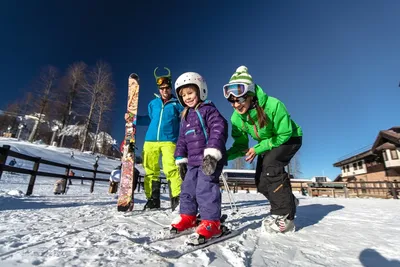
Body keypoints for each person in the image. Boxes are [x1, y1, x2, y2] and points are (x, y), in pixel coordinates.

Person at [223, 66, 303, 233]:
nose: (236, 105)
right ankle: (288, 200)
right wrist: (222, 156)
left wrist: (259, 148)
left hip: (290, 138)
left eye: (240, 100)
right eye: (232, 101)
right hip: (267, 143)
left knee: (271, 167)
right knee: (261, 182)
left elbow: (285, 133)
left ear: (251, 96)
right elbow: (240, 146)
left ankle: (285, 216)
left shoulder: (273, 105)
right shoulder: (237, 118)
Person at [170, 72, 228, 240]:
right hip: (192, 162)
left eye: (190, 93)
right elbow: (181, 140)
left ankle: (211, 222)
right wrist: (180, 158)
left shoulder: (208, 109)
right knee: (187, 188)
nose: (187, 97)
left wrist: (212, 153)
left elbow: (219, 128)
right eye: (184, 95)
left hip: (209, 159)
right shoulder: (185, 117)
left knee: (205, 188)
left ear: (200, 91)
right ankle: (188, 217)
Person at [136, 67, 184, 211]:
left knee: (172, 169)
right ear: (159, 89)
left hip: (169, 140)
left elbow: (187, 117)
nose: (164, 91)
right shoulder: (153, 104)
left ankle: (177, 199)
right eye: (162, 88)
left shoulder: (177, 104)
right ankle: (152, 200)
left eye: (167, 88)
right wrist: (133, 119)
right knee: (150, 170)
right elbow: (149, 119)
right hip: (150, 141)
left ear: (171, 88)